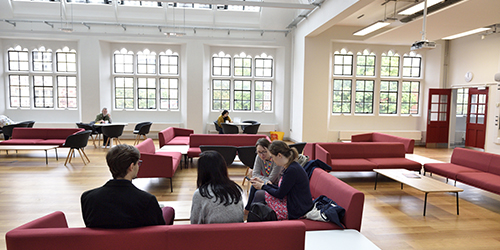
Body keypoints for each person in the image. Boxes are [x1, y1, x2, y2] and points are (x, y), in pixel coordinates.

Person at [81, 144, 169, 228]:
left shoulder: (88, 198)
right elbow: (159, 230)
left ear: (110, 167)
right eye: (138, 163)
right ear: (131, 167)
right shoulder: (147, 200)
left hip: (103, 243)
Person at [250, 141, 313, 220]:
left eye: (272, 157)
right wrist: (264, 184)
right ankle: (254, 221)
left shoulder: (291, 170)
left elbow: (280, 194)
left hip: (296, 209)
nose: (272, 160)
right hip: (293, 202)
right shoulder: (291, 166)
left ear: (279, 155)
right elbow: (282, 189)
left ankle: (253, 222)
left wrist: (263, 186)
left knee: (260, 195)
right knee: (260, 194)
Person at [190, 151, 244, 224]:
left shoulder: (201, 194)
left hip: (212, 234)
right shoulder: (235, 188)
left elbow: (195, 223)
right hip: (237, 233)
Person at [245, 138, 283, 210]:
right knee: (254, 185)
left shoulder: (276, 159)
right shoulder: (259, 157)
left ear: (270, 150)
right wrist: (261, 180)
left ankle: (248, 210)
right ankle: (250, 210)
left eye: (264, 152)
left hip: (276, 185)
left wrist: (259, 179)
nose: (261, 155)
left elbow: (271, 179)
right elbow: (255, 174)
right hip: (266, 183)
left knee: (256, 189)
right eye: (259, 152)